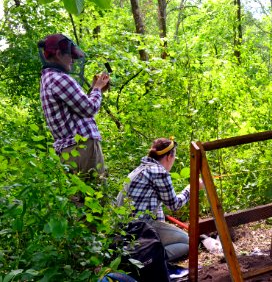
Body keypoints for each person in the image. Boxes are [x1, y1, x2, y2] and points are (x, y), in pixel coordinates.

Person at [38, 33, 110, 181]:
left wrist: (96, 88)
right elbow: (89, 109)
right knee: (95, 199)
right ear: (58, 54)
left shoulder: (49, 78)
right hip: (81, 147)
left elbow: (78, 110)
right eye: (69, 55)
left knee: (78, 200)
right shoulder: (60, 79)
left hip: (71, 150)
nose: (72, 60)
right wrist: (97, 89)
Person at [124, 137, 201, 262]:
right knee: (191, 243)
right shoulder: (159, 172)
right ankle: (147, 259)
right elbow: (174, 205)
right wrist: (192, 188)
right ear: (169, 157)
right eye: (174, 157)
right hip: (141, 227)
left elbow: (157, 207)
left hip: (124, 229)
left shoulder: (140, 169)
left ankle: (140, 253)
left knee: (179, 239)